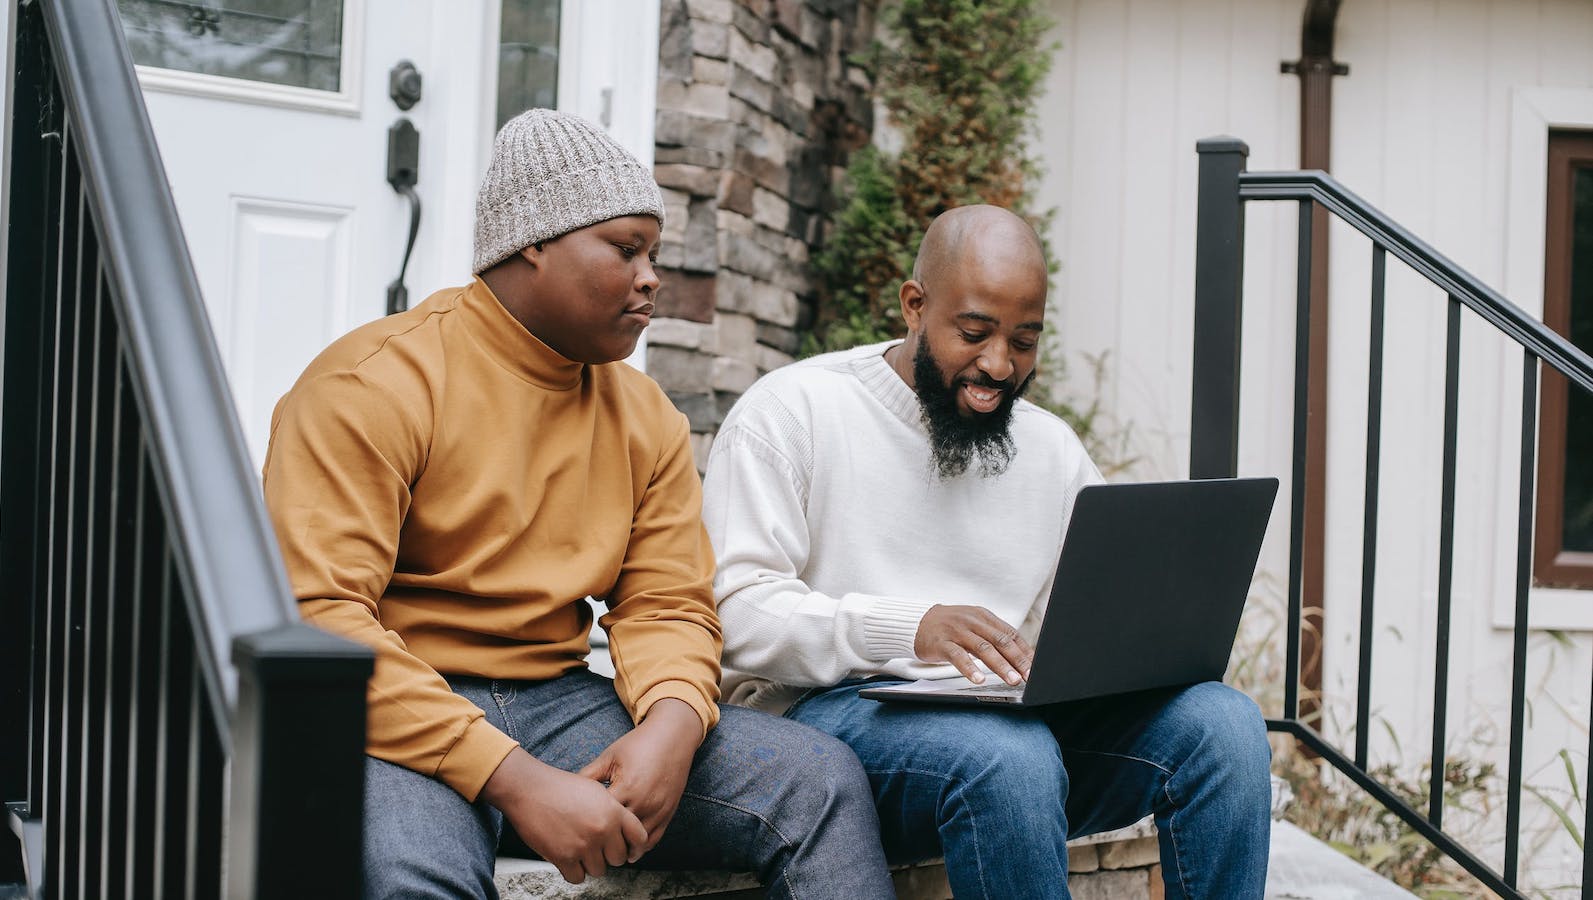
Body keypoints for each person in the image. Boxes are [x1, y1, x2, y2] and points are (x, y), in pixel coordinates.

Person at [262, 108, 892, 900]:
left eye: (654, 254)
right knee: (412, 877)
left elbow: (668, 601)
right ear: (532, 240)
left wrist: (672, 722)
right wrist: (515, 780)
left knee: (816, 780)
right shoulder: (373, 384)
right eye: (625, 249)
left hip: (559, 701)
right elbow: (320, 616)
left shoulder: (643, 414)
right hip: (401, 708)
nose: (651, 277)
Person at [702, 204, 1273, 899]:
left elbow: (1092, 619)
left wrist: (1137, 644)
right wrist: (912, 625)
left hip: (1000, 726)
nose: (998, 365)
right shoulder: (793, 412)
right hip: (826, 723)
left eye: (1023, 341)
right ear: (914, 306)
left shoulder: (1049, 448)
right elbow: (736, 614)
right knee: (1006, 756)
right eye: (972, 333)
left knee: (1224, 725)